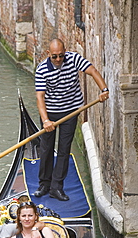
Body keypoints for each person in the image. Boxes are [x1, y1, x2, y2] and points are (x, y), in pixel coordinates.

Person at [34, 38, 109, 201]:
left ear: (65, 52)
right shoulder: (41, 70)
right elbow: (40, 97)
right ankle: (44, 184)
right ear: (49, 54)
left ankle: (56, 187)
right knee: (46, 148)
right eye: (54, 56)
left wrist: (104, 89)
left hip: (70, 111)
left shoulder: (74, 59)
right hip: (50, 113)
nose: (59, 59)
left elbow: (93, 71)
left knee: (64, 149)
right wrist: (46, 120)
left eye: (61, 55)